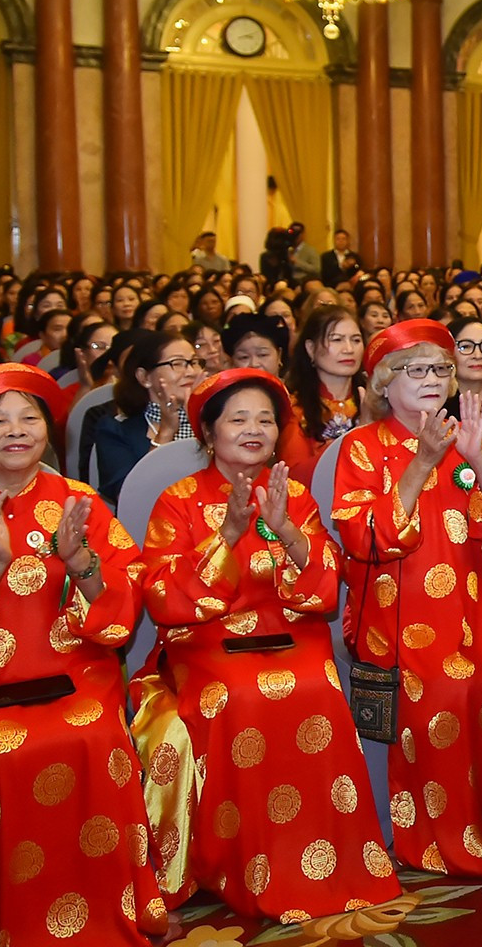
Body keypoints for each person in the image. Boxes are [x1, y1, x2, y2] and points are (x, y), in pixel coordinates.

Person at [134, 368, 400, 919]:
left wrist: (290, 532)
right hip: (206, 647)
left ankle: (332, 863)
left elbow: (326, 586)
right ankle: (244, 866)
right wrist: (228, 535)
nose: (254, 429)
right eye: (238, 419)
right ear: (208, 432)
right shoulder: (178, 501)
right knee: (240, 697)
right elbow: (163, 596)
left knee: (317, 686)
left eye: (265, 420)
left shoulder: (294, 495)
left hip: (291, 638)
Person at [0, 364, 168, 944]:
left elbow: (118, 617)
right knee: (4, 755)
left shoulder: (80, 503)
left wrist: (80, 562)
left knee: (95, 738)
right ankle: (11, 926)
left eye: (29, 417)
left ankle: (116, 913)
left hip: (75, 678)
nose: (16, 430)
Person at [333, 319, 482, 876]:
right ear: (386, 382)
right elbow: (364, 538)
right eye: (417, 370)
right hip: (400, 611)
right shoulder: (362, 448)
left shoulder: (464, 436)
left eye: (440, 369)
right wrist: (422, 462)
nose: (432, 379)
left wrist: (477, 458)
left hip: (474, 602)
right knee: (446, 691)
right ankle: (443, 840)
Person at [92, 329, 200, 506]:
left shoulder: (215, 425)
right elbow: (130, 499)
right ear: (144, 377)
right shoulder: (115, 430)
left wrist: (201, 424)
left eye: (194, 362)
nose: (190, 372)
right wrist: (165, 433)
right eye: (177, 363)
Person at [283, 305, 364, 474]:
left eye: (356, 340)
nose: (349, 349)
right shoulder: (294, 408)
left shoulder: (375, 400)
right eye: (337, 339)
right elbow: (295, 475)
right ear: (310, 348)